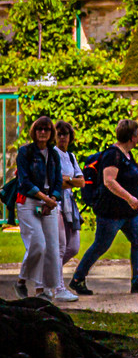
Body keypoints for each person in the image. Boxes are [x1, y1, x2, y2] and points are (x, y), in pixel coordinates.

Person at [68, 118, 138, 296]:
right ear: (132, 137)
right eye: (137, 135)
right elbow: (109, 181)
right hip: (112, 212)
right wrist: (130, 197)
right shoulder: (113, 154)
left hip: (129, 213)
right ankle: (77, 278)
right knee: (101, 245)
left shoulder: (127, 155)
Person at [16, 116, 74, 302]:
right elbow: (24, 182)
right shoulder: (25, 152)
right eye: (40, 129)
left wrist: (53, 199)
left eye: (47, 129)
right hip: (29, 201)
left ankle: (45, 291)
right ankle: (21, 281)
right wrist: (46, 199)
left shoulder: (53, 154)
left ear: (51, 133)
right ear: (34, 131)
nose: (43, 132)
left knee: (52, 247)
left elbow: (58, 181)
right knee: (38, 244)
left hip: (49, 201)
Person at [54, 121, 84, 279]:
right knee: (60, 246)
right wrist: (69, 181)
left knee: (73, 247)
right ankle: (57, 284)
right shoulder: (52, 154)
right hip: (56, 203)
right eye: (59, 134)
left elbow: (82, 181)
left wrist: (68, 180)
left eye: (65, 134)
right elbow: (56, 181)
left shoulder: (71, 157)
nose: (62, 137)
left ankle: (49, 271)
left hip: (70, 205)